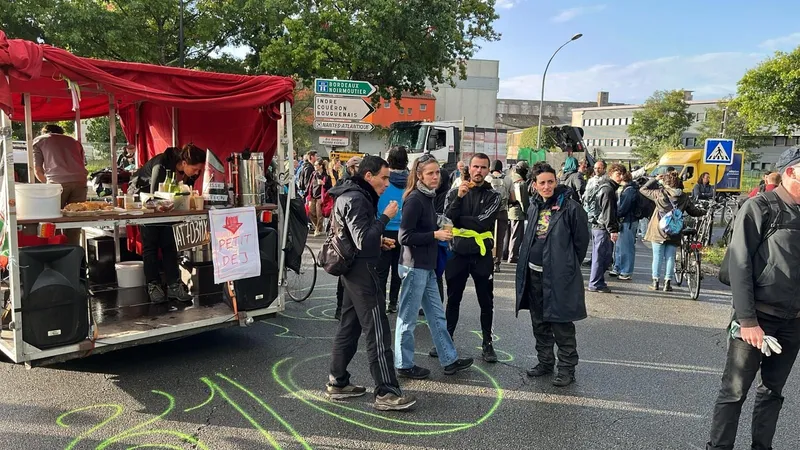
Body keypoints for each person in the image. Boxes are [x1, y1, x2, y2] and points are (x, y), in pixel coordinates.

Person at [706, 147, 800, 450]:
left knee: (772, 392)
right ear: (790, 172)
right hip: (757, 318)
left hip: (793, 322)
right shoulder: (760, 207)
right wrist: (747, 320)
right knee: (734, 392)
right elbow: (740, 264)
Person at [325, 155, 416, 411]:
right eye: (383, 178)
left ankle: (338, 381)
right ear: (368, 176)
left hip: (353, 269)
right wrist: (385, 218)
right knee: (377, 330)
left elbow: (355, 236)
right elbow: (363, 240)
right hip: (362, 272)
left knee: (349, 326)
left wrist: (379, 240)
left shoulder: (351, 194)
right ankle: (386, 392)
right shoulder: (357, 198)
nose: (387, 184)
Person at [394, 154, 474, 379]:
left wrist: (439, 225)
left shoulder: (427, 196)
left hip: (426, 266)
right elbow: (404, 236)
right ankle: (403, 364)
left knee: (437, 316)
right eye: (430, 173)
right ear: (419, 175)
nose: (435, 176)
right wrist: (435, 235)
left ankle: (449, 359)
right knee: (407, 318)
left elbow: (424, 226)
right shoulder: (415, 199)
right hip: (414, 266)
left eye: (437, 172)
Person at [517, 162, 589, 387]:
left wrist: (566, 266)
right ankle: (545, 362)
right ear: (535, 184)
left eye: (550, 182)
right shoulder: (533, 205)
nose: (547, 186)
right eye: (542, 183)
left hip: (558, 277)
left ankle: (567, 369)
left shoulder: (571, 208)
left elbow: (581, 243)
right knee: (539, 322)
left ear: (556, 182)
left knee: (561, 324)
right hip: (534, 274)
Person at [438, 153, 501, 362]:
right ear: (469, 168)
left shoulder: (494, 196)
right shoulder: (454, 192)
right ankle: (446, 340)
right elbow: (447, 218)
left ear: (488, 170)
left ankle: (487, 344)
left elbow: (483, 222)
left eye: (483, 167)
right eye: (475, 167)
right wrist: (459, 198)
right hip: (457, 253)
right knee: (453, 299)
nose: (478, 171)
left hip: (481, 255)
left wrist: (461, 221)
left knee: (486, 301)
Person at [129, 145, 206, 303]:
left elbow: (185, 192)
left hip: (167, 207)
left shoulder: (187, 172)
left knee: (170, 244)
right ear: (184, 163)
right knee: (150, 245)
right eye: (195, 169)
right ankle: (153, 285)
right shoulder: (161, 164)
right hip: (144, 201)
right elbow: (154, 196)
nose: (197, 173)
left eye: (199, 170)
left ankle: (173, 285)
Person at [639, 172, 704, 292]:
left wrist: (654, 179)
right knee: (670, 257)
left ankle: (655, 282)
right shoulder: (683, 196)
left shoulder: (659, 193)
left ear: (665, 183)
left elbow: (643, 189)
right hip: (675, 230)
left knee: (657, 257)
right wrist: (703, 212)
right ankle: (667, 283)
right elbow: (693, 211)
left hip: (659, 230)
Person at [32, 124, 89, 245]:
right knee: (75, 220)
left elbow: (37, 170)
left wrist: (48, 184)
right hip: (80, 181)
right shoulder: (74, 142)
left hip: (56, 183)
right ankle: (73, 250)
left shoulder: (39, 141)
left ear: (45, 132)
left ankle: (57, 249)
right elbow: (82, 163)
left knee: (54, 220)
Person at [377, 146, 409, 314]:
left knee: (381, 270)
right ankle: (394, 302)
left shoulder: (384, 178)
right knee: (398, 270)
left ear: (389, 160)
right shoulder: (411, 181)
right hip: (403, 229)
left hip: (384, 226)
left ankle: (380, 302)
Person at [588, 163, 625, 293]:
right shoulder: (608, 190)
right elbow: (608, 212)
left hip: (599, 226)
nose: (621, 177)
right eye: (618, 174)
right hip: (602, 227)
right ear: (610, 174)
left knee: (601, 256)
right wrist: (612, 230)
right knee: (601, 257)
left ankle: (597, 281)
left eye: (622, 174)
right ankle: (595, 283)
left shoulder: (606, 187)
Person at [334, 156, 362, 320]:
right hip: (345, 235)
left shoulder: (356, 185)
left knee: (350, 274)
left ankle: (345, 308)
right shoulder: (344, 185)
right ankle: (340, 308)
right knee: (345, 273)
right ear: (351, 168)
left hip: (349, 233)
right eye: (359, 167)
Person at [611, 171, 639, 281]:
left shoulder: (629, 190)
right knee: (620, 246)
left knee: (626, 247)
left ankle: (626, 271)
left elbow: (624, 207)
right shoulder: (630, 189)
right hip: (628, 220)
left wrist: (615, 214)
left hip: (628, 221)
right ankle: (618, 267)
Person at [487, 160, 511, 272]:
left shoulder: (487, 179)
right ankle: (497, 263)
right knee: (500, 239)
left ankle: (488, 260)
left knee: (489, 236)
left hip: (489, 213)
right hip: (503, 212)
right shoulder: (508, 179)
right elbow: (513, 198)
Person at [507, 161, 530, 264]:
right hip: (517, 212)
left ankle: (505, 254)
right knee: (516, 235)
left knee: (508, 235)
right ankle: (513, 256)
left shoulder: (509, 179)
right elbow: (524, 201)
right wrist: (526, 212)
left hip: (508, 210)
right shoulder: (522, 183)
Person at [308, 159, 332, 236]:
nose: (314, 166)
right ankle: (317, 227)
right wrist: (307, 195)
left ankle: (318, 229)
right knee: (311, 212)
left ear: (320, 166)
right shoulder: (313, 174)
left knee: (319, 214)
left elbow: (330, 186)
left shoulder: (326, 176)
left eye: (316, 165)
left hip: (321, 196)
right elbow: (309, 185)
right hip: (313, 196)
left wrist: (324, 184)